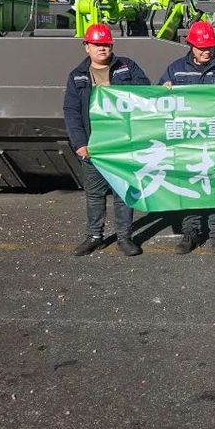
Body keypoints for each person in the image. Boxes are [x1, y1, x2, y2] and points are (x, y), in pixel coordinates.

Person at [63, 23, 151, 257]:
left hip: (123, 143)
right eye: (97, 44)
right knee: (94, 194)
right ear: (87, 47)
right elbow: (71, 112)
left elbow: (145, 93)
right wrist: (80, 144)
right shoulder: (77, 76)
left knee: (123, 192)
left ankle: (124, 237)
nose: (102, 48)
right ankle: (95, 236)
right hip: (94, 146)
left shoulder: (127, 67)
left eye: (106, 44)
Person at [159, 20, 215, 254]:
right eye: (201, 47)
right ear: (190, 45)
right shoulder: (175, 69)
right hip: (187, 141)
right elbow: (158, 100)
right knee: (190, 185)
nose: (206, 51)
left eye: (210, 47)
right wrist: (163, 90)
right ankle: (190, 233)